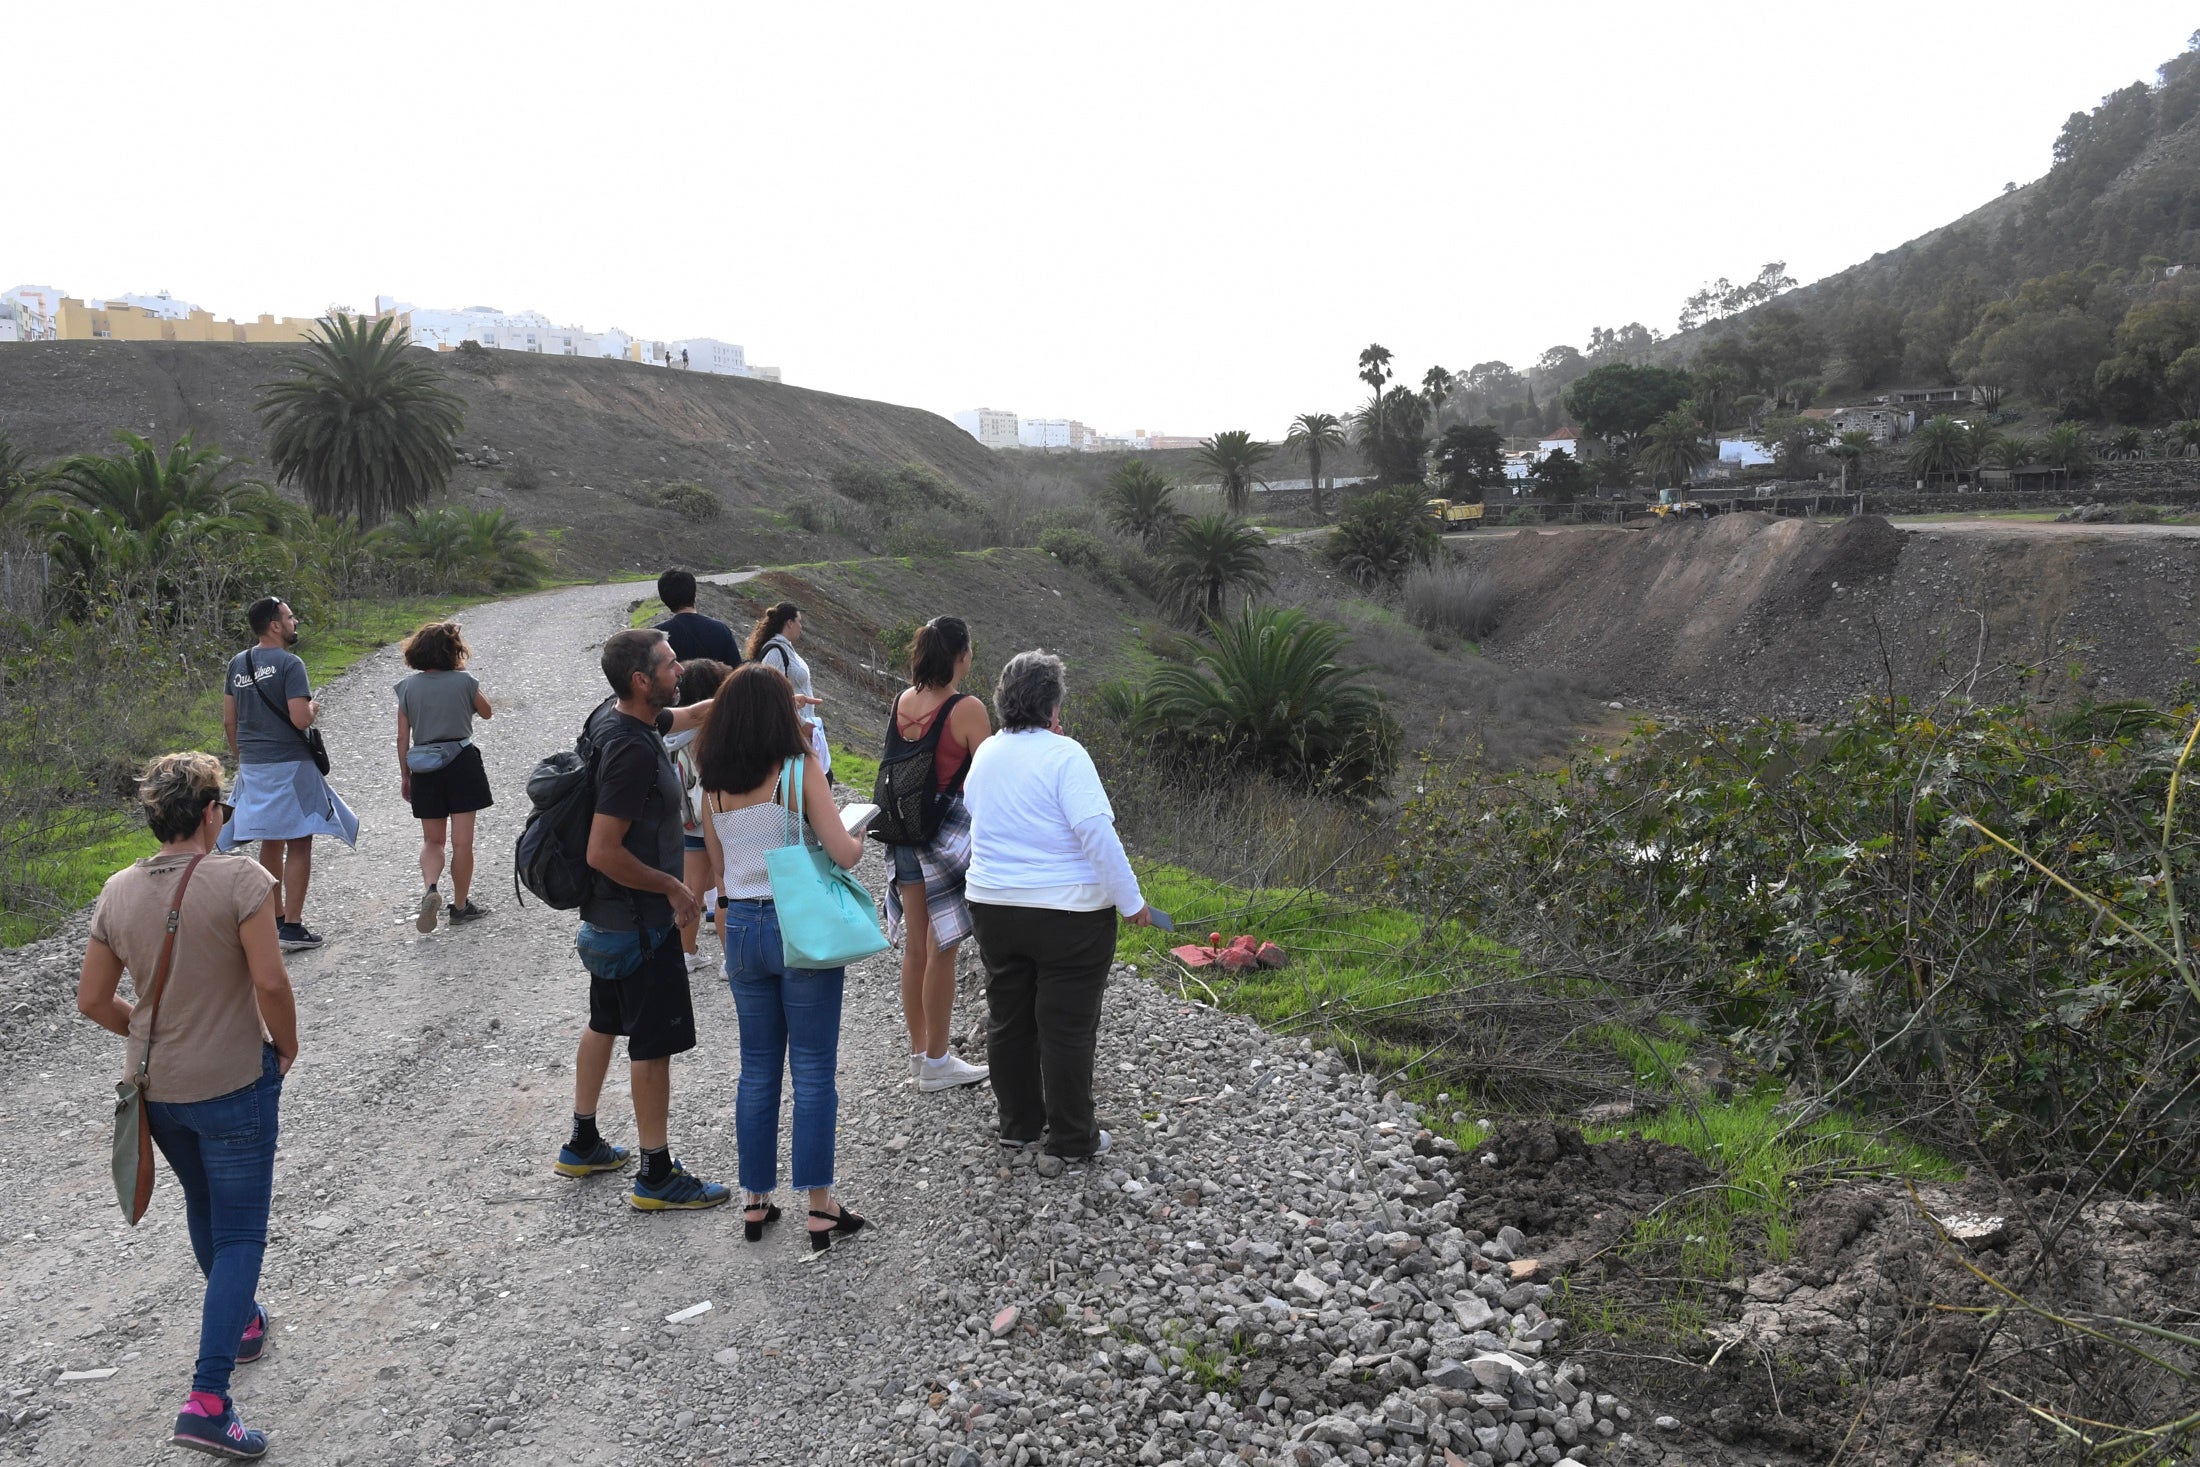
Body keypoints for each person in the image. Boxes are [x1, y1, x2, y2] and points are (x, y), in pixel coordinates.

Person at [77, 752, 298, 1459]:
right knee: (241, 1235)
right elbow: (269, 979)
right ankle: (207, 1399)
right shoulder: (242, 879)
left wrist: (143, 1030)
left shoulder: (116, 890)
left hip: (158, 1092)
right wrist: (285, 1046)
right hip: (233, 1082)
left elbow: (91, 1000)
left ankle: (240, 1323)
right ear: (209, 811)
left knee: (206, 1206)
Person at [696, 662, 870, 1251]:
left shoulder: (712, 787)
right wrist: (860, 834)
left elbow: (719, 874)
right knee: (815, 1068)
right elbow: (843, 854)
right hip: (799, 926)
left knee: (758, 1068)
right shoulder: (799, 772)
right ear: (778, 715)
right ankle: (820, 1206)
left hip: (741, 924)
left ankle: (755, 1199)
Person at [556, 627, 730, 1210]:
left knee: (603, 1021)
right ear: (641, 680)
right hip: (639, 925)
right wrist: (675, 888)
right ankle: (656, 1176)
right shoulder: (631, 749)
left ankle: (582, 1143)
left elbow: (688, 714)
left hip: (604, 921)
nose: (679, 669)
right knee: (651, 1046)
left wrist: (756, 692)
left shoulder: (616, 719)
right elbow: (603, 850)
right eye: (670, 664)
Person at [963, 651, 1153, 1163]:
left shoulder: (986, 754)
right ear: (1052, 707)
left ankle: (1019, 1126)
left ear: (1003, 702)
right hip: (1068, 916)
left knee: (1009, 1018)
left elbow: (978, 817)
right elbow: (1095, 833)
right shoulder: (1067, 756)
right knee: (1066, 1026)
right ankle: (1072, 1138)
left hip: (993, 906)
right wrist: (1131, 901)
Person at [880, 617, 993, 1092]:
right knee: (944, 948)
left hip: (902, 834)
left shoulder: (903, 701)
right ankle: (939, 1060)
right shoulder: (966, 709)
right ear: (960, 656)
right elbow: (989, 777)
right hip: (942, 844)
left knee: (915, 947)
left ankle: (919, 1052)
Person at [220, 596, 358, 952]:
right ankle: (293, 927)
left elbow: (229, 720)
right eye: (290, 617)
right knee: (300, 838)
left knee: (270, 838)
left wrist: (244, 759)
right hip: (291, 764)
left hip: (253, 765)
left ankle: (275, 917)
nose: (295, 622)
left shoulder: (237, 663)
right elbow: (299, 718)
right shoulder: (290, 664)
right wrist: (312, 707)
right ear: (275, 625)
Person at [394, 620, 495, 933]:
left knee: (433, 840)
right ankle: (461, 907)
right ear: (454, 651)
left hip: (425, 767)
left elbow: (401, 738)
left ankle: (431, 888)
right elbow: (487, 711)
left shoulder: (407, 688)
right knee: (462, 842)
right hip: (462, 761)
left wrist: (405, 775)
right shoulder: (464, 682)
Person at [668, 657, 734, 970]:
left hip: (686, 817)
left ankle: (686, 954)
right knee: (725, 887)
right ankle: (730, 960)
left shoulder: (671, 731)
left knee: (690, 887)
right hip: (717, 815)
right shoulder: (713, 729)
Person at [746, 601, 830, 778]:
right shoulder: (775, 652)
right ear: (789, 623)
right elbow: (770, 694)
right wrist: (800, 723)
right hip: (789, 732)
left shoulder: (785, 648)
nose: (801, 626)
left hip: (798, 731)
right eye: (799, 621)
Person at [653, 568, 743, 667]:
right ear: (695, 595)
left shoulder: (655, 636)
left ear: (663, 599)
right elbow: (736, 671)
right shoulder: (721, 629)